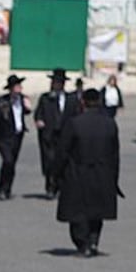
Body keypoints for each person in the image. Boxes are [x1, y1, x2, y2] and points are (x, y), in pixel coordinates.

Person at [52, 89, 121, 257]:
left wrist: (56, 173)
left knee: (78, 211)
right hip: (103, 172)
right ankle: (93, 240)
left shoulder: (74, 123)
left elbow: (63, 151)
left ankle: (83, 244)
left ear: (82, 102)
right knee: (97, 211)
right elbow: (115, 154)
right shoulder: (110, 123)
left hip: (78, 172)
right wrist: (114, 177)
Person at [33, 68, 79, 199]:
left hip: (65, 135)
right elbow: (38, 113)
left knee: (63, 161)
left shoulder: (71, 99)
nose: (56, 85)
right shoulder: (46, 98)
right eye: (54, 82)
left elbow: (76, 115)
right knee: (49, 161)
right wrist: (39, 120)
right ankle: (50, 187)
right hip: (49, 135)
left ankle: (60, 186)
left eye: (59, 82)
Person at [0, 74, 32, 200]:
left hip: (17, 135)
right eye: (17, 86)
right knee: (7, 160)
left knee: (12, 163)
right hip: (3, 137)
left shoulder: (23, 99)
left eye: (20, 85)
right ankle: (2, 189)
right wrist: (4, 109)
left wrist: (27, 106)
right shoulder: (2, 101)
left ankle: (8, 189)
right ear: (11, 88)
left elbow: (27, 111)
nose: (20, 88)